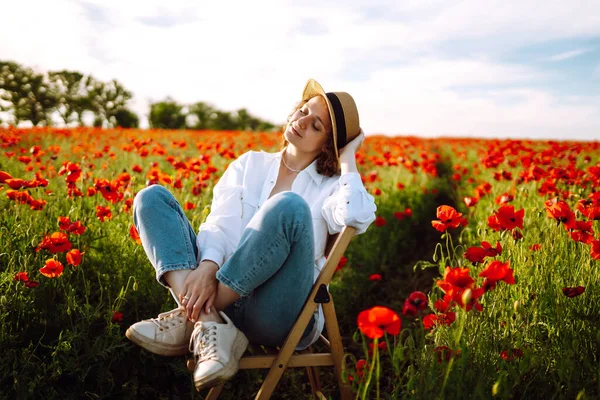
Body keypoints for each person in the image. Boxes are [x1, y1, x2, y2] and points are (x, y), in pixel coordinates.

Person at [126, 78, 377, 391]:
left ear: (329, 144)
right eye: (302, 112)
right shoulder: (250, 164)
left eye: (316, 125)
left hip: (275, 312)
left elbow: (357, 216)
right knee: (150, 198)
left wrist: (348, 157)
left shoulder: (331, 188)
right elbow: (220, 224)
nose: (301, 122)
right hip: (225, 298)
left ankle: (193, 318)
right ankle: (210, 324)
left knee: (288, 206)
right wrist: (207, 266)